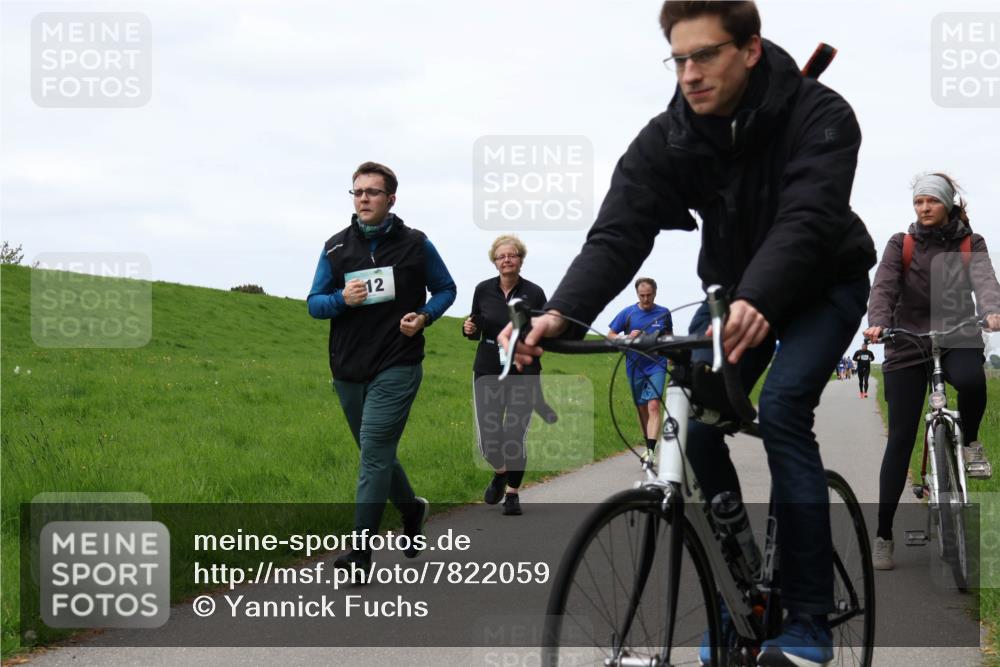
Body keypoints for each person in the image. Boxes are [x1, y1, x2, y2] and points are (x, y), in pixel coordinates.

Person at [501, 2, 876, 664]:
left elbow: (809, 217)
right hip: (734, 296)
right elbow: (619, 231)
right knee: (698, 426)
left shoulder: (822, 115)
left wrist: (758, 295)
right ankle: (742, 595)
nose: (690, 73)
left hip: (822, 286)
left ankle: (809, 619)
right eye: (678, 59)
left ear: (751, 49)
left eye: (705, 55)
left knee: (785, 407)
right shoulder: (669, 137)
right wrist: (562, 311)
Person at [307, 161, 457, 573]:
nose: (364, 199)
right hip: (348, 367)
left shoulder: (416, 244)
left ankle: (360, 554)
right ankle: (411, 511)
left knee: (373, 456)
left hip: (397, 362)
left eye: (372, 192)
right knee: (378, 455)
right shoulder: (336, 248)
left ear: (390, 199)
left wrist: (424, 316)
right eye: (357, 192)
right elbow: (314, 303)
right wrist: (342, 300)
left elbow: (446, 288)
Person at [864, 172, 1000, 571]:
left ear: (948, 204)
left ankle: (971, 440)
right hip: (906, 340)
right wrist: (878, 321)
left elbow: (985, 281)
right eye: (918, 203)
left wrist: (992, 311)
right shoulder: (900, 244)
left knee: (973, 381)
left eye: (931, 202)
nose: (923, 209)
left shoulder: (969, 243)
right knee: (901, 439)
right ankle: (884, 535)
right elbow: (884, 287)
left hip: (957, 332)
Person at [463, 235, 549, 516]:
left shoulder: (534, 293)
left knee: (513, 434)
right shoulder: (482, 289)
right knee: (489, 439)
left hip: (523, 370)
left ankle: (512, 494)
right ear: (495, 261)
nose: (507, 260)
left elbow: (544, 330)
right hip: (488, 366)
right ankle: (500, 473)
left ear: (521, 260)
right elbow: (475, 324)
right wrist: (468, 329)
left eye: (512, 255)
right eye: (501, 256)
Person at [607, 278, 673, 453]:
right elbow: (611, 335)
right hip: (635, 364)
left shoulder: (664, 313)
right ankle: (648, 442)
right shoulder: (628, 313)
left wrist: (672, 356)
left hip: (657, 364)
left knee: (653, 405)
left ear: (655, 293)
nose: (645, 299)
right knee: (641, 407)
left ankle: (651, 450)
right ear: (637, 294)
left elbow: (669, 336)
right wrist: (627, 337)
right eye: (642, 295)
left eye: (649, 295)